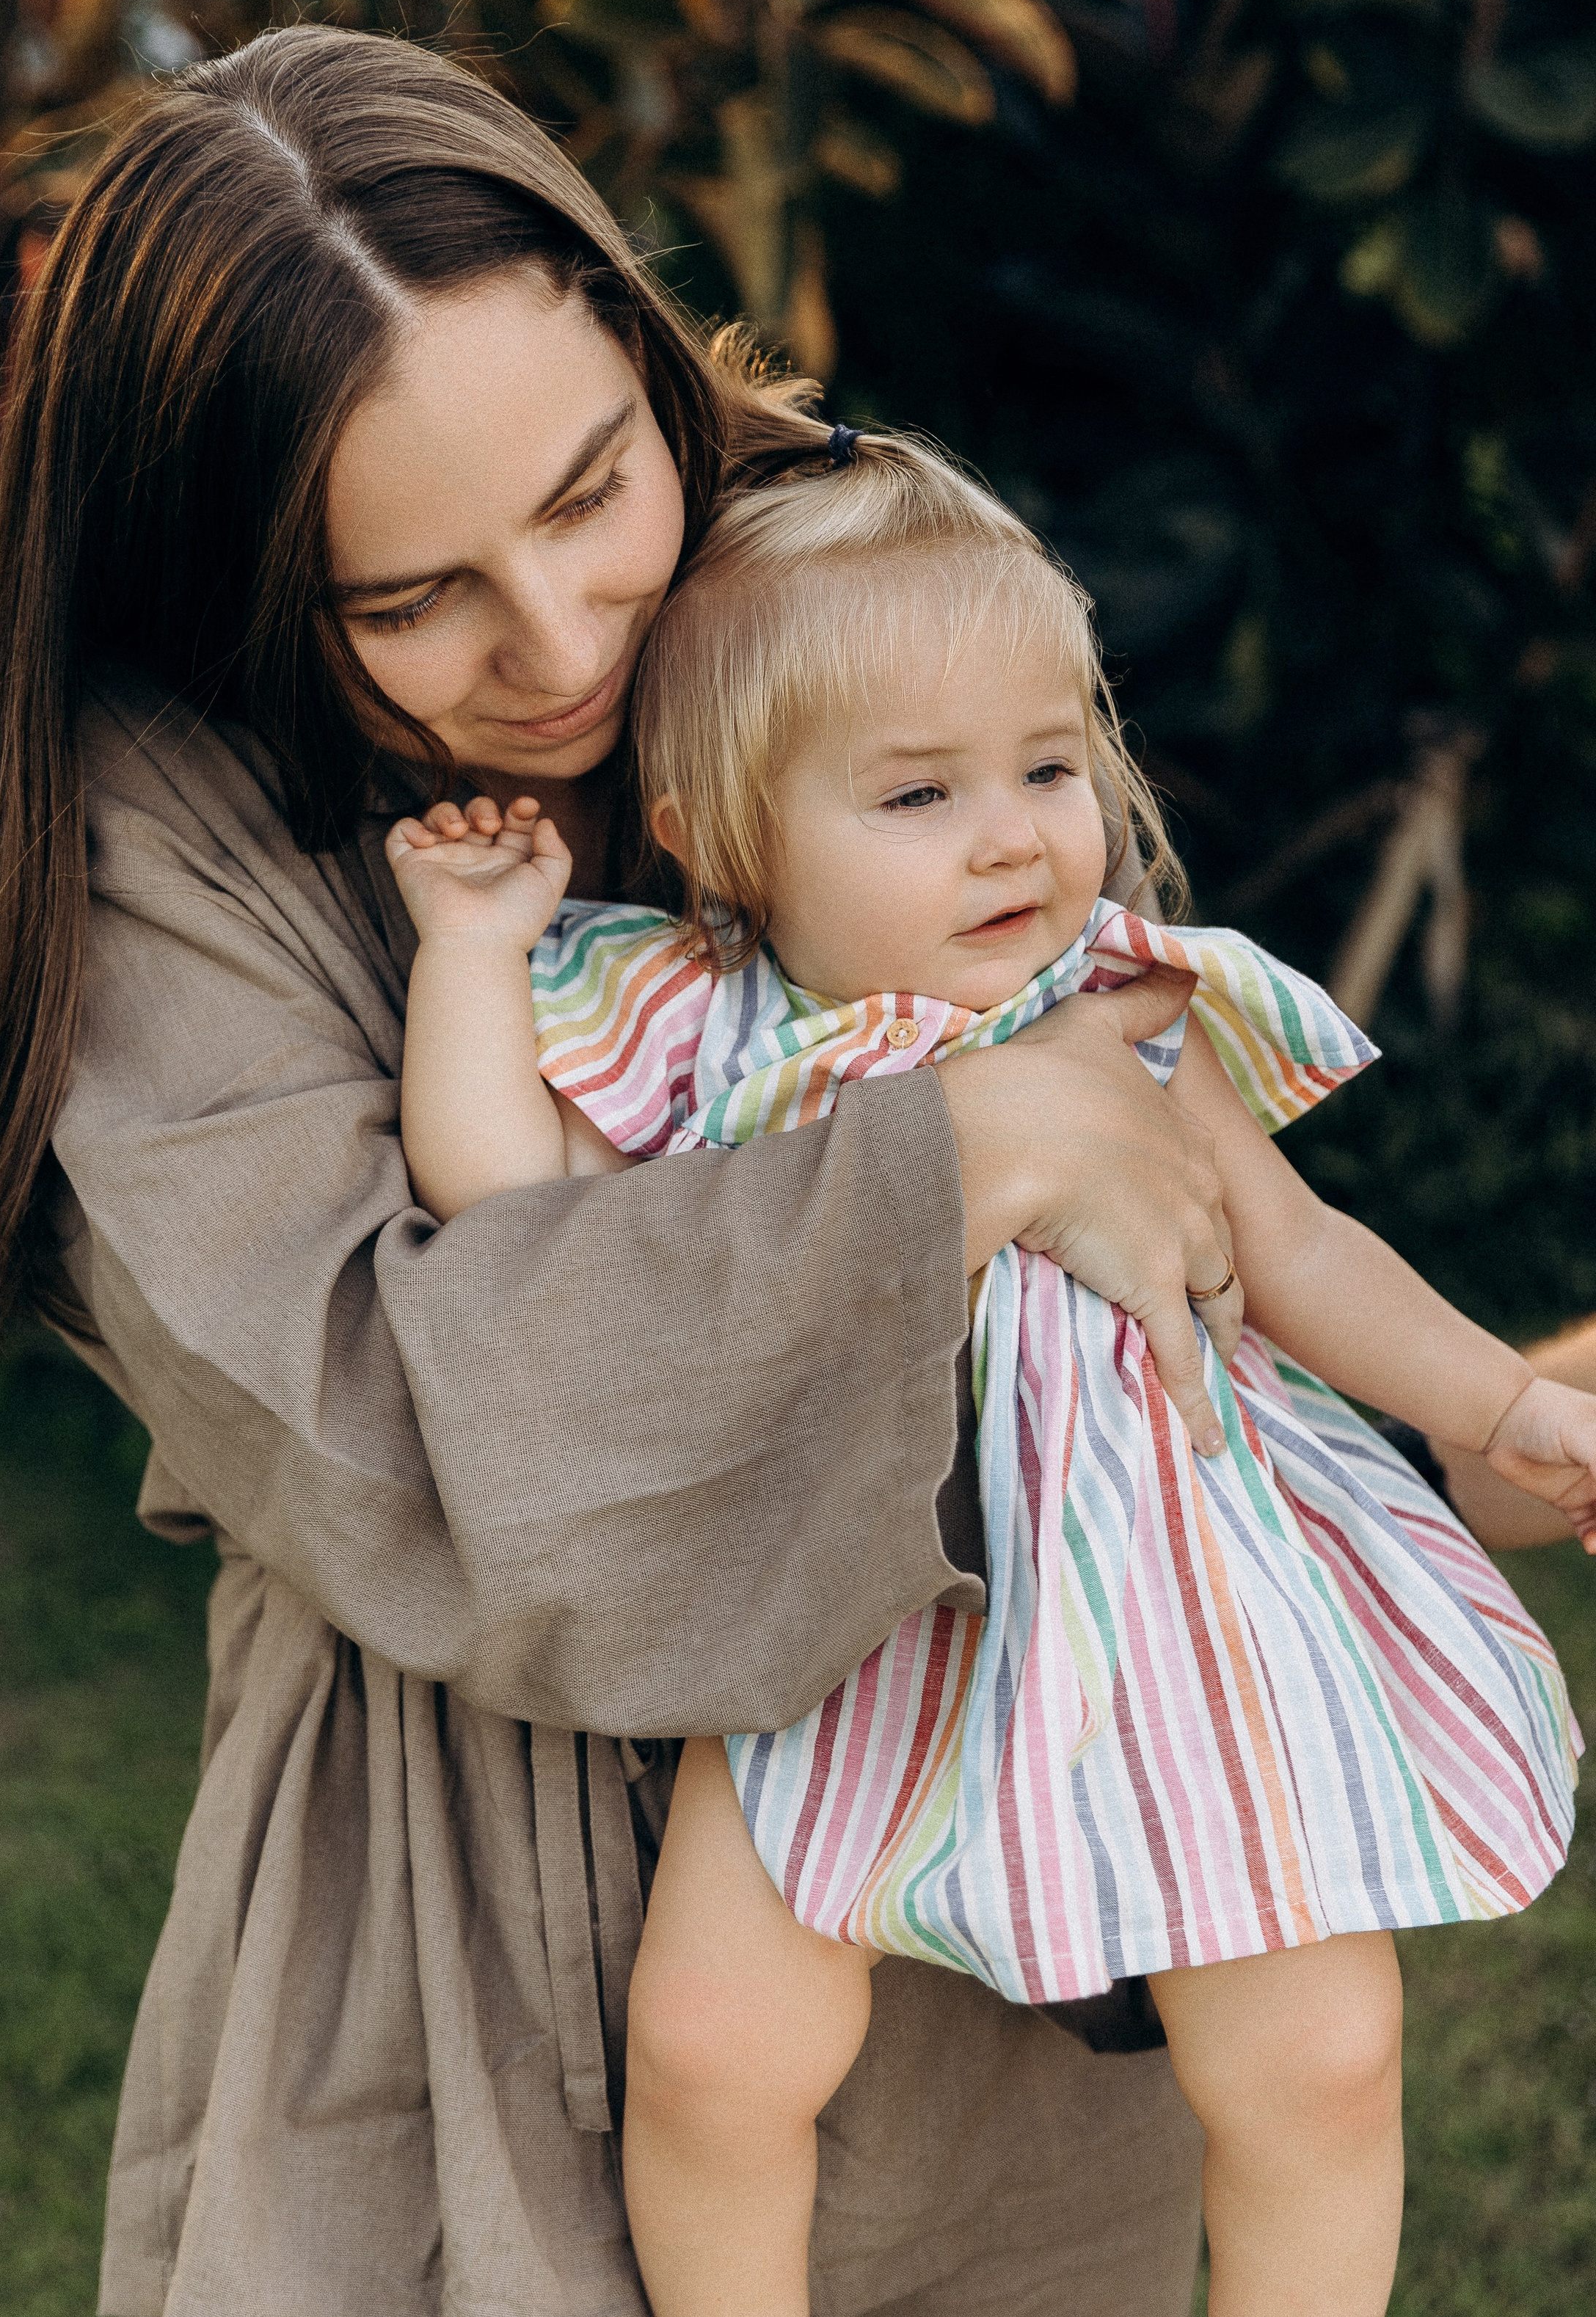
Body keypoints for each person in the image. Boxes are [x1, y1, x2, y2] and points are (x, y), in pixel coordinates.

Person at [0, 21, 1339, 2316]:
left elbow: (1144, 1142)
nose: (560, 650)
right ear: (245, 569)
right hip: (463, 1945)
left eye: (588, 498)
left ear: (652, 368)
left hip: (974, 1855)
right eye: (405, 601)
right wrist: (953, 1156)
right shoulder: (154, 837)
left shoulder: (834, 584)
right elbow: (388, 1428)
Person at [385, 431, 1589, 2317]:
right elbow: (494, 1190)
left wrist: (1498, 1406)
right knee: (709, 2052)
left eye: (1045, 765)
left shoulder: (1122, 1004)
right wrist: (472, 950)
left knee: (1316, 2054)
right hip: (845, 1616)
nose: (1015, 831)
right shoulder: (707, 1034)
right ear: (718, 834)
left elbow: (1298, 1254)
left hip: (1169, 1600)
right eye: (918, 793)